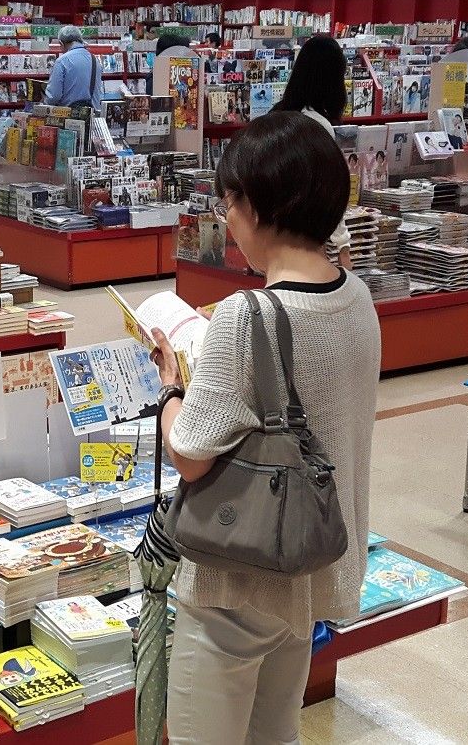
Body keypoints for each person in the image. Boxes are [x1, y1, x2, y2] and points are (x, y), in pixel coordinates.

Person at [149, 111, 377, 745]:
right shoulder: (357, 297)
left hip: (237, 576)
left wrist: (171, 388)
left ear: (256, 205)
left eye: (230, 201)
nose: (226, 218)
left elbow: (190, 455)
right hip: (308, 562)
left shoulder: (244, 317)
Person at [269, 34, 355, 269]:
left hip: (271, 236)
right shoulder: (317, 125)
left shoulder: (275, 116)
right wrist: (343, 247)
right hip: (306, 238)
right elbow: (329, 189)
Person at [44, 25, 102, 109]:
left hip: (70, 116)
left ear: (61, 43)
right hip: (93, 114)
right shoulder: (95, 59)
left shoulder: (62, 61)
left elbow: (54, 96)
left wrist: (44, 103)